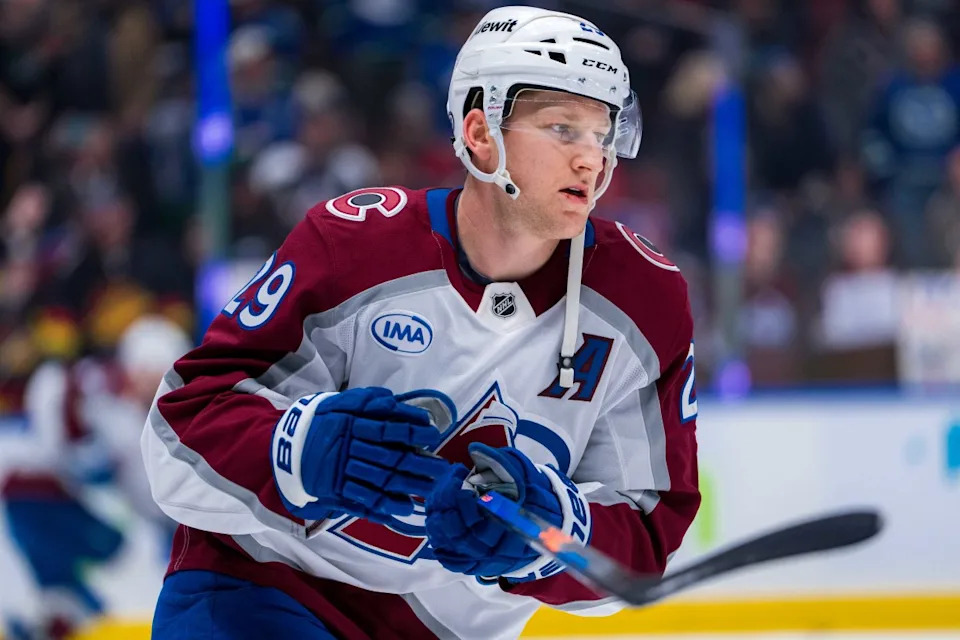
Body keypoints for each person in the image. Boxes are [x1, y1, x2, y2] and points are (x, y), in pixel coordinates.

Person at [142, 6, 701, 639]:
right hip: (263, 585)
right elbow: (177, 432)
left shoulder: (643, 301)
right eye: (562, 129)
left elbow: (647, 537)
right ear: (481, 133)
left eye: (602, 136)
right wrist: (296, 451)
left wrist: (551, 534)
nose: (591, 162)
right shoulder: (352, 245)